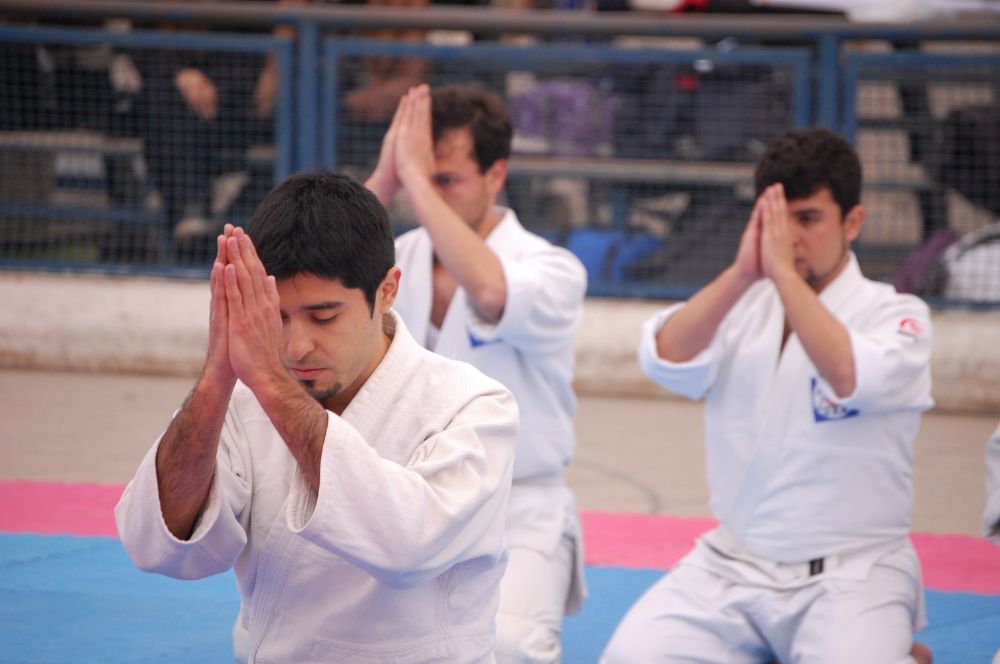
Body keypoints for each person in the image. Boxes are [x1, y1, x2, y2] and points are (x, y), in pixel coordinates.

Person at [114, 171, 519, 663]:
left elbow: (407, 543)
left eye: (324, 317)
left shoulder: (473, 404)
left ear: (387, 291)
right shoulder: (243, 400)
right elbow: (156, 545)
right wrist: (218, 375)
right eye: (276, 317)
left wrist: (270, 384)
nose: (296, 346)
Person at [601, 127, 935, 664]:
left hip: (853, 574)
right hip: (732, 565)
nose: (791, 240)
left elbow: (849, 375)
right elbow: (664, 356)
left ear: (852, 222)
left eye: (808, 220)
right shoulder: (743, 302)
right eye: (779, 222)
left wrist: (782, 275)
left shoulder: (895, 314)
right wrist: (742, 273)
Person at [365, 83, 588, 663]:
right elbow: (315, 267)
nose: (424, 194)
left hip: (519, 504)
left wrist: (414, 178)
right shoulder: (394, 257)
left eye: (446, 180)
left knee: (509, 648)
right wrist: (385, 178)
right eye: (420, 174)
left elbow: (490, 292)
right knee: (265, 639)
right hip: (403, 497)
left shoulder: (551, 268)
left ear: (496, 175)